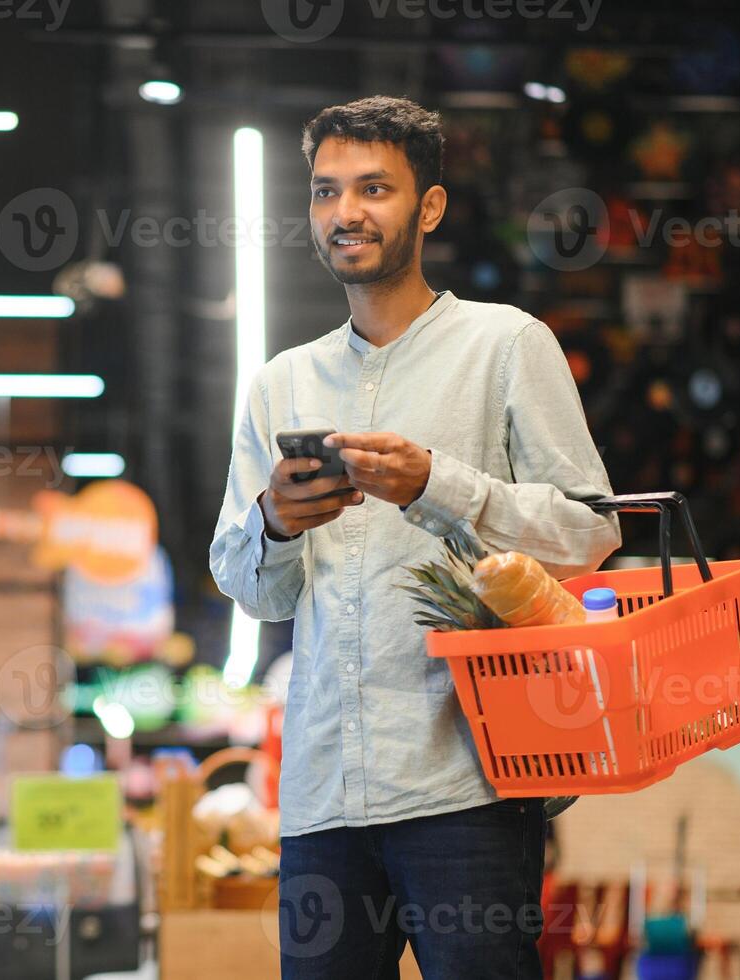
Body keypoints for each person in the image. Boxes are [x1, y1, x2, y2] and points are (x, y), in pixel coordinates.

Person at [208, 95, 622, 980]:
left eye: (373, 189)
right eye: (325, 192)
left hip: (466, 786)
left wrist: (436, 484)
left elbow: (590, 530)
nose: (345, 213)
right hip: (322, 797)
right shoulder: (279, 384)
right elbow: (252, 588)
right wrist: (274, 522)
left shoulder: (506, 345)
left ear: (427, 209)